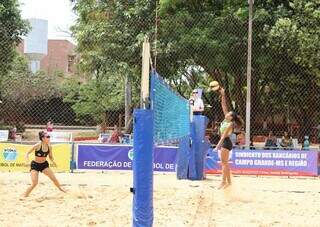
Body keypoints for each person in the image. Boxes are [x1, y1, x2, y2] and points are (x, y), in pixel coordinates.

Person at [215, 87, 244, 189]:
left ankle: (223, 182)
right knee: (225, 163)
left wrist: (217, 146)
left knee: (224, 163)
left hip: (226, 143)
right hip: (226, 143)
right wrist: (223, 94)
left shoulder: (230, 124)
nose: (227, 113)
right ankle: (229, 182)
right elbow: (223, 105)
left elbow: (223, 136)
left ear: (231, 117)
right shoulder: (226, 119)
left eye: (229, 114)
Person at [23, 131, 66, 197]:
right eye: (48, 137)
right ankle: (25, 195)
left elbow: (50, 157)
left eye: (49, 137)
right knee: (34, 183)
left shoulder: (49, 147)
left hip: (44, 165)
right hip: (35, 165)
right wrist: (27, 160)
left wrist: (53, 161)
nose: (49, 138)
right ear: (43, 138)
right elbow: (27, 153)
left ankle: (61, 189)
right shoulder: (38, 145)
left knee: (54, 178)